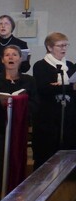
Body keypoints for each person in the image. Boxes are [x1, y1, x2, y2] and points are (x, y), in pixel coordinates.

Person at [0, 45, 38, 187]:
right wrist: (1, 104)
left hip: (19, 127)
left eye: (14, 54)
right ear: (2, 60)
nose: (11, 57)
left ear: (20, 59)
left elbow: (34, 104)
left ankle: (17, 188)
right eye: (7, 55)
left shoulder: (29, 80)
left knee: (17, 159)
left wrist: (18, 103)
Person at [31, 32, 76, 169]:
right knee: (46, 156)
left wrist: (60, 86)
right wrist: (69, 87)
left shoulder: (70, 65)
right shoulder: (40, 66)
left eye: (66, 45)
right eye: (60, 45)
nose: (64, 48)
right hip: (48, 118)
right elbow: (44, 88)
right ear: (50, 48)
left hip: (68, 117)